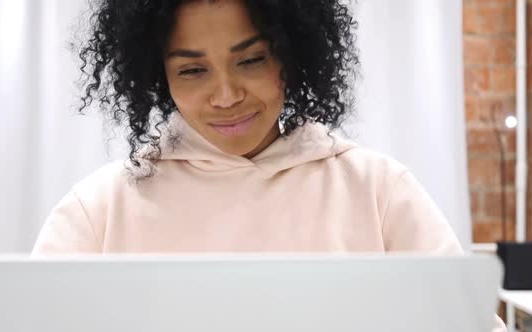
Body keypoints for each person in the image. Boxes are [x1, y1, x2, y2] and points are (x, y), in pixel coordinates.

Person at [32, 1, 506, 330]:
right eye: (193, 70)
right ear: (159, 77)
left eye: (252, 60)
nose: (226, 96)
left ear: (291, 53)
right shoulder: (98, 211)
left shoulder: (379, 191)